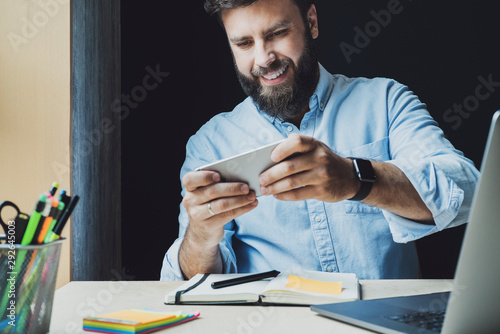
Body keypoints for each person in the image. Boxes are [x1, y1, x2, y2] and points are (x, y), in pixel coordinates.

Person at [160, 0, 479, 281]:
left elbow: (468, 194)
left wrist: (357, 179)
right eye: (244, 43)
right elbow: (191, 286)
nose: (264, 58)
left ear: (311, 22)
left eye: (277, 33)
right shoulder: (210, 143)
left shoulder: (385, 101)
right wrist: (200, 237)